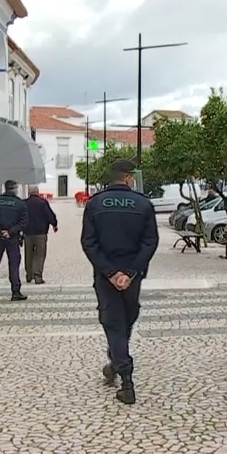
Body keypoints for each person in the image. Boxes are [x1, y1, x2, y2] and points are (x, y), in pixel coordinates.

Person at [80, 159, 159, 405]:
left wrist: (110, 273)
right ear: (127, 178)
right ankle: (125, 376)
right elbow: (150, 241)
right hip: (132, 277)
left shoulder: (94, 204)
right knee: (125, 318)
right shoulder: (144, 204)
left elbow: (89, 242)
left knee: (114, 321)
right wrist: (130, 273)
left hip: (106, 277)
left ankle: (118, 363)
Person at [23, 186, 58, 284]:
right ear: (38, 192)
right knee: (39, 255)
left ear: (29, 193)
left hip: (28, 233)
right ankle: (37, 276)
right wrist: (54, 224)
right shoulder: (43, 203)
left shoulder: (24, 203)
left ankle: (29, 275)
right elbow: (50, 215)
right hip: (41, 233)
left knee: (28, 254)